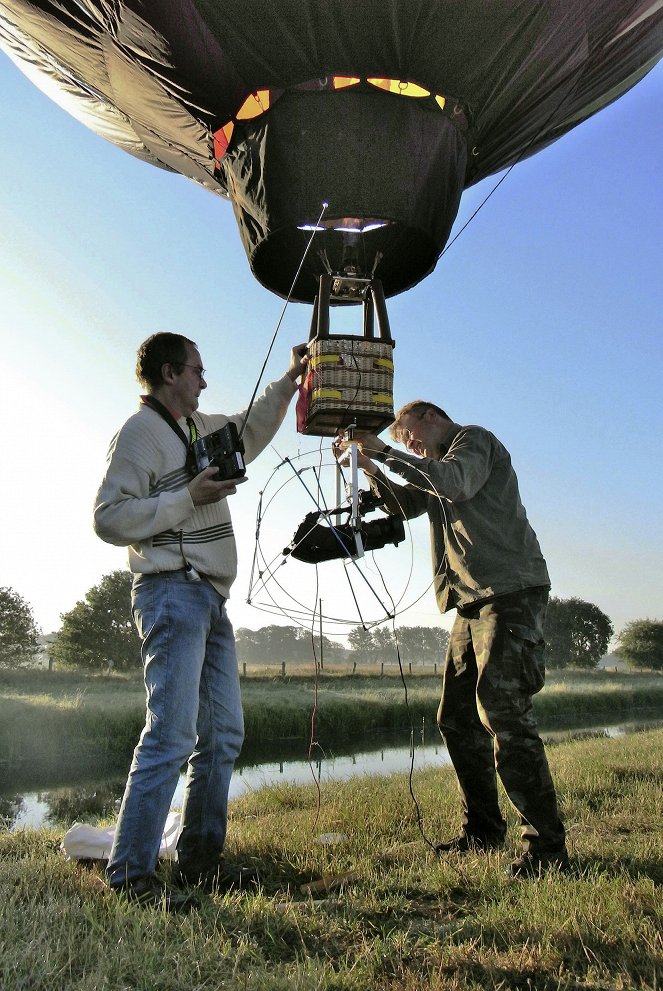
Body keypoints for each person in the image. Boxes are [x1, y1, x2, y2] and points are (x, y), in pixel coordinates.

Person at [94, 331, 307, 909]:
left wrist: (290, 380)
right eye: (196, 370)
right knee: (171, 732)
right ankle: (131, 874)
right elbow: (108, 518)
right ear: (169, 374)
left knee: (224, 734)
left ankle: (200, 862)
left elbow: (251, 425)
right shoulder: (139, 433)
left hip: (210, 598)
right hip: (171, 591)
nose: (204, 380)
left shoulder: (198, 426)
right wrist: (187, 497)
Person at [336, 401, 569, 878]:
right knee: (457, 718)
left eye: (412, 437)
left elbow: (453, 483)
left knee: (502, 710)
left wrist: (383, 450)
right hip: (470, 602)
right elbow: (408, 504)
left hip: (510, 593)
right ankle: (483, 830)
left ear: (431, 416)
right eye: (405, 444)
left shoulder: (473, 442)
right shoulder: (435, 466)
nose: (412, 446)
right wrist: (368, 466)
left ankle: (548, 849)